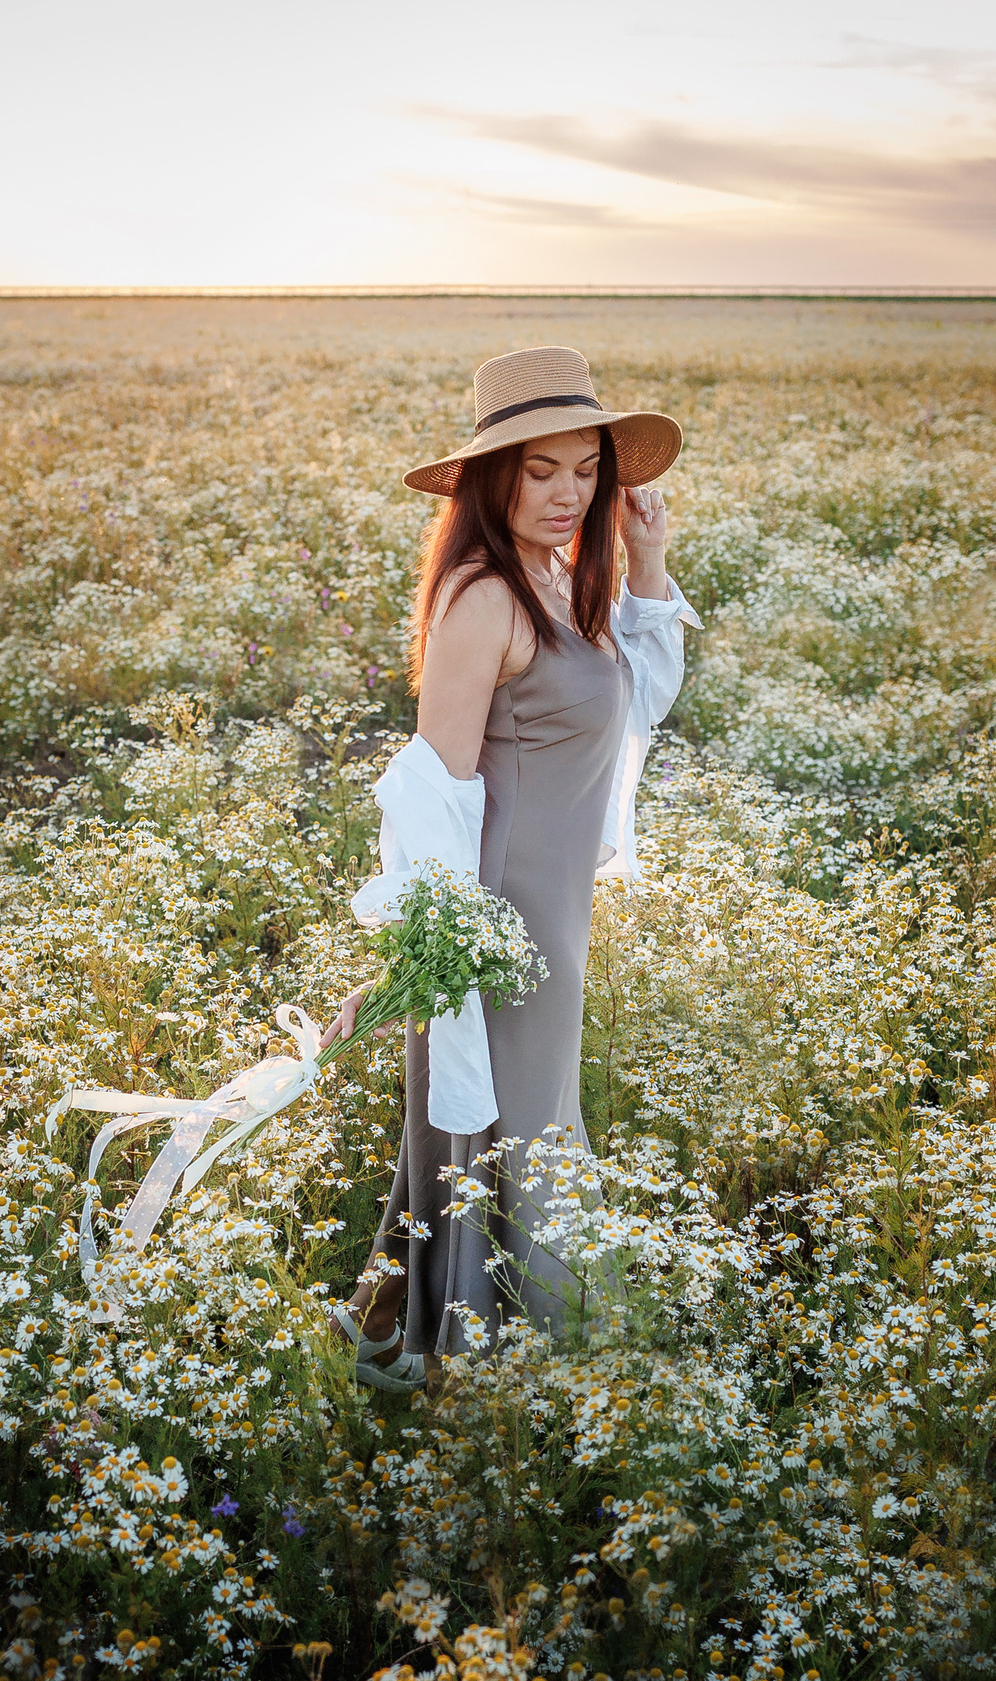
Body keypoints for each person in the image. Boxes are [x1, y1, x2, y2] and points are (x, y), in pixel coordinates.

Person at [317, 345, 697, 1391]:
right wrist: (422, 950)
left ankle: (416, 1344)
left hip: (553, 916)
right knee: (516, 1139)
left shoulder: (565, 577)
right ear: (494, 477)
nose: (568, 491)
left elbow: (632, 704)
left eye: (585, 468)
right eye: (542, 470)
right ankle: (537, 1369)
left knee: (509, 1131)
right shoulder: (483, 597)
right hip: (498, 922)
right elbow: (431, 792)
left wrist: (648, 563)